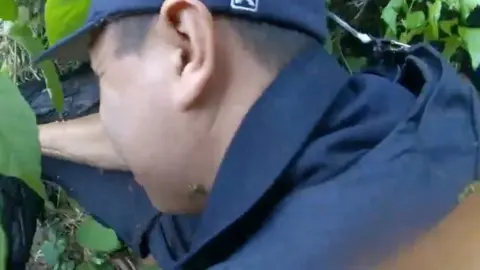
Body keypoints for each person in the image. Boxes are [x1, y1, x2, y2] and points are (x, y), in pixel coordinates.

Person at [3, 0, 480, 269]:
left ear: (187, 48)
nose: (105, 111)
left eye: (102, 77)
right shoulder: (421, 113)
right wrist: (29, 139)